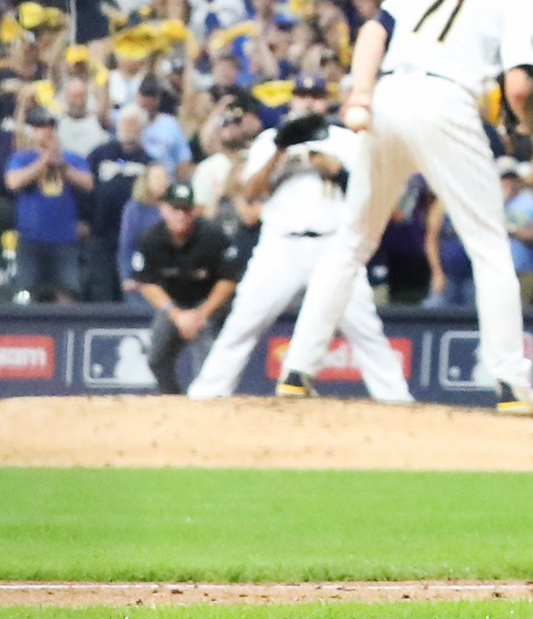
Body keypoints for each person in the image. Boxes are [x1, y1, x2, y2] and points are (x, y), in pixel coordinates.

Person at [278, 0, 533, 416]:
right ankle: (509, 383)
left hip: (388, 95)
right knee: (488, 246)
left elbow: (373, 31)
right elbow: (520, 90)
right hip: (445, 102)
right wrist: (531, 125)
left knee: (351, 241)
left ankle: (297, 370)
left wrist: (360, 95)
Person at [186, 76, 411, 403]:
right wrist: (280, 150)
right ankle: (205, 394)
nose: (308, 101)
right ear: (293, 100)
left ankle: (397, 400)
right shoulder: (269, 140)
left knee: (365, 330)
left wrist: (337, 171)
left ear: (326, 100)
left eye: (316, 94)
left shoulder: (346, 140)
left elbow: (371, 195)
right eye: (302, 94)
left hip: (334, 247)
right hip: (280, 245)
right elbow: (250, 192)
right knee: (242, 323)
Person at [131, 186, 242, 394]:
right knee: (156, 358)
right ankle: (173, 401)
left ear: (195, 211)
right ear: (163, 209)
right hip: (174, 302)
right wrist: (177, 314)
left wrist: (202, 313)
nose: (181, 215)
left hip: (209, 301)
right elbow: (147, 284)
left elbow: (228, 280)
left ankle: (207, 401)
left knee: (206, 357)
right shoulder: (151, 239)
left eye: (186, 209)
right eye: (175, 208)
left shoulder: (212, 236)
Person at [6, 107, 91, 301]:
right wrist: (43, 161)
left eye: (49, 128)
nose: (45, 132)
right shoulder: (22, 158)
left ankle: (68, 331)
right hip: (31, 238)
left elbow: (88, 183)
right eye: (40, 128)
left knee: (67, 292)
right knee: (27, 293)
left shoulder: (72, 158)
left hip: (65, 239)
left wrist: (60, 163)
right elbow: (13, 182)